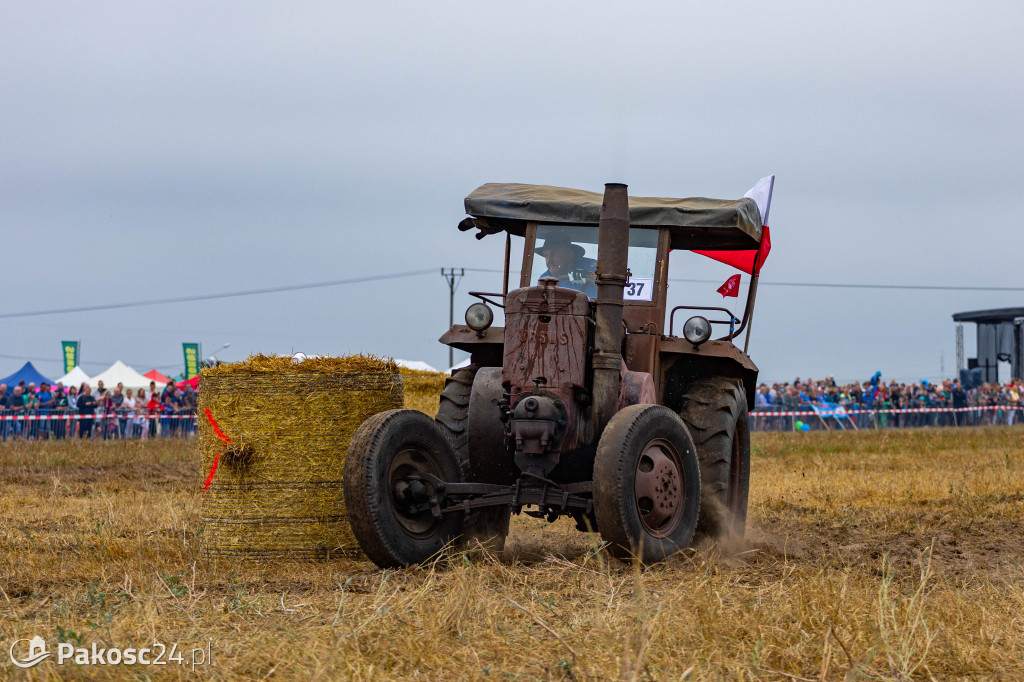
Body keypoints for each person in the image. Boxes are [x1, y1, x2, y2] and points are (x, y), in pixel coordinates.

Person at [535, 231, 597, 297]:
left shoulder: (593, 266)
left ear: (569, 254)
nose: (549, 261)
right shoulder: (545, 279)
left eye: (554, 254)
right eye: (546, 256)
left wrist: (595, 279)